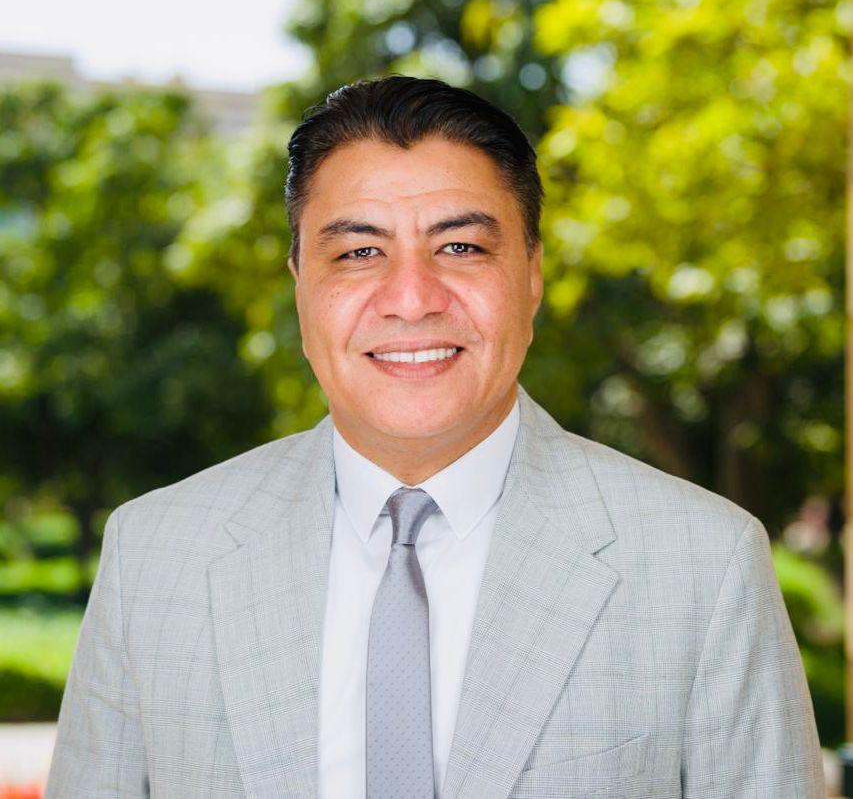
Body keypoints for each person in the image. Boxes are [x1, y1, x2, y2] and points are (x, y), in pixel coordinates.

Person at [45, 75, 825, 798]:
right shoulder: (154, 555)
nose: (411, 297)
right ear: (299, 286)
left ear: (530, 274)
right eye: (358, 251)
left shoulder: (705, 564)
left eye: (460, 246)